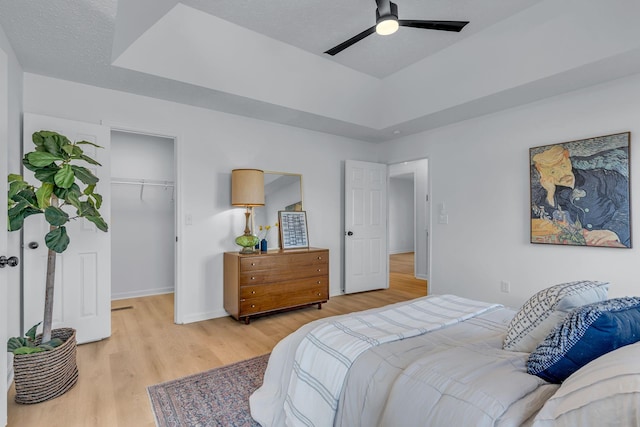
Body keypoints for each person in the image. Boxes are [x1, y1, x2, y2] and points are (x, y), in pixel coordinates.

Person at [531, 145, 630, 247]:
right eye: (552, 172)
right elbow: (544, 224)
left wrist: (613, 231)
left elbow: (630, 205)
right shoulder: (548, 195)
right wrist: (550, 195)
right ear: (543, 175)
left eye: (563, 166)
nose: (562, 174)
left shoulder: (603, 177)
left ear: (568, 159)